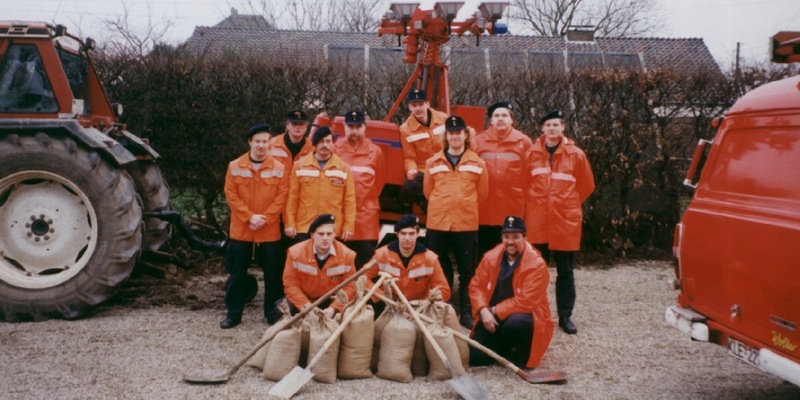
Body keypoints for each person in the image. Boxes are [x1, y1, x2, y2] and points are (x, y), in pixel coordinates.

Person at [526, 109, 595, 335]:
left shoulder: (576, 155)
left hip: (564, 221)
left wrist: (567, 204)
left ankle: (565, 316)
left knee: (565, 270)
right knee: (537, 270)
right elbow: (523, 183)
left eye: (556, 125)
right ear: (542, 129)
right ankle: (537, 313)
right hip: (537, 221)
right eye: (548, 125)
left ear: (563, 127)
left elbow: (586, 186)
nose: (552, 129)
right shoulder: (531, 154)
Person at [220, 123, 290, 329]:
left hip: (269, 231)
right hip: (242, 230)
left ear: (270, 143)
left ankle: (272, 313)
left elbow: (282, 197)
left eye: (265, 141)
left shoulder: (279, 168)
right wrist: (250, 217)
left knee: (272, 275)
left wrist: (265, 218)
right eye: (257, 141)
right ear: (250, 142)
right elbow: (231, 196)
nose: (261, 145)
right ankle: (233, 314)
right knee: (237, 274)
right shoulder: (234, 166)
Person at [423, 115, 488, 327]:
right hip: (438, 223)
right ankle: (443, 307)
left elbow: (483, 194)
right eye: (451, 133)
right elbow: (427, 191)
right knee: (440, 268)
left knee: (467, 269)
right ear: (446, 136)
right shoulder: (432, 162)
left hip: (465, 224)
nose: (455, 137)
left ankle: (467, 311)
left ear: (465, 135)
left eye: (458, 133)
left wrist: (462, 205)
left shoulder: (478, 163)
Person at [468, 216, 554, 369]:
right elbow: (476, 287)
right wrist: (483, 310)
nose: (510, 241)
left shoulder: (537, 265)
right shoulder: (490, 258)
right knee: (473, 357)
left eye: (515, 237)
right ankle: (504, 348)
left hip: (524, 317)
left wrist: (494, 310)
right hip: (493, 318)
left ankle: (521, 352)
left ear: (525, 238)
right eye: (506, 237)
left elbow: (527, 301)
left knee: (516, 323)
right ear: (502, 238)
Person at [472, 101, 533, 258]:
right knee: (483, 251)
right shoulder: (478, 141)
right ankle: (486, 282)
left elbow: (530, 175)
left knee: (510, 251)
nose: (500, 119)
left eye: (504, 115)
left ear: (512, 119)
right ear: (490, 121)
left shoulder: (524, 142)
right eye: (496, 116)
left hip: (512, 205)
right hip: (484, 207)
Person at [364, 214, 450, 314]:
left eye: (411, 233)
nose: (407, 238)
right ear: (397, 234)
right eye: (403, 233)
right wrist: (381, 297)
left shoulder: (430, 259)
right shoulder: (382, 254)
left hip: (419, 307)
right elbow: (363, 278)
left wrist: (424, 305)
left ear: (418, 234)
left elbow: (443, 290)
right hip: (390, 305)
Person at [284, 126, 356, 243]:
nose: (324, 145)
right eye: (321, 141)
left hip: (331, 229)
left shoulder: (343, 168)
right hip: (305, 227)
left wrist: (349, 226)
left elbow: (349, 201)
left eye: (328, 141)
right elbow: (292, 198)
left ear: (333, 143)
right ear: (315, 144)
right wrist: (289, 223)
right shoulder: (300, 166)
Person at [334, 110, 386, 269]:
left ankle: (363, 294)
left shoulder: (375, 152)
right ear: (344, 127)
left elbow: (380, 181)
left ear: (365, 127)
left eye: (358, 126)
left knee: (365, 267)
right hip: (341, 217)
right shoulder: (334, 150)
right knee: (339, 265)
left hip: (366, 219)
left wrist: (365, 200)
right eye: (351, 127)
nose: (354, 131)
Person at [279, 214, 357, 319]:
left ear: (334, 234)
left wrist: (334, 309)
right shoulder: (295, 253)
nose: (325, 238)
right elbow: (291, 285)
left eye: (329, 234)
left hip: (331, 301)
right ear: (312, 234)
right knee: (280, 311)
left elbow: (350, 287)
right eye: (321, 234)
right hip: (305, 300)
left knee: (353, 315)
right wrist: (307, 308)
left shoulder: (347, 255)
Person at [398, 89, 448, 213]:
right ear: (409, 107)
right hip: (424, 169)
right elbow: (410, 157)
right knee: (409, 187)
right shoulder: (405, 129)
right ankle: (432, 212)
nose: (418, 108)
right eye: (414, 105)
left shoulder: (443, 119)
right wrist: (411, 170)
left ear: (427, 104)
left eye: (421, 104)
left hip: (445, 165)